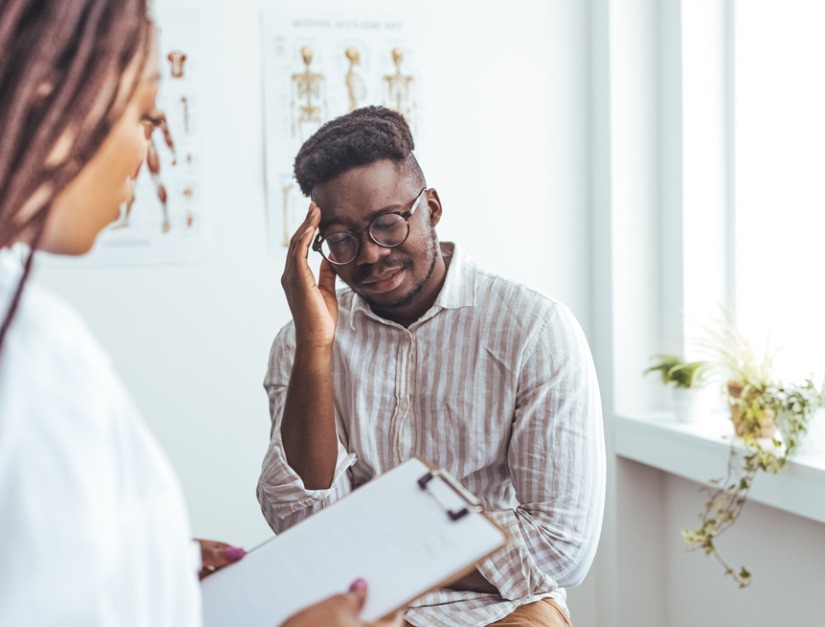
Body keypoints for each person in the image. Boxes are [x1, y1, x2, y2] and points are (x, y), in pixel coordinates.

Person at [0, 1, 390, 625]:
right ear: (48, 98)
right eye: (146, 115)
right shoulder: (19, 360)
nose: (153, 153)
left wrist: (131, 563)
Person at [258, 106, 607, 627]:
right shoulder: (304, 343)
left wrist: (371, 549)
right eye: (342, 239)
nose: (370, 255)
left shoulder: (534, 330)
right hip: (357, 606)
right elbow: (298, 523)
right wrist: (315, 344)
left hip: (504, 606)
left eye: (388, 224)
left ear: (433, 209)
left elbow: (560, 547)